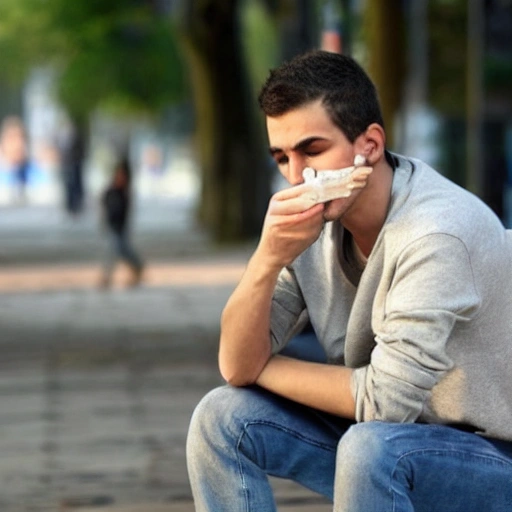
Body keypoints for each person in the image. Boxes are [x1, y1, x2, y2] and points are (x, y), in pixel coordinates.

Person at [186, 50, 512, 511]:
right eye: (282, 157)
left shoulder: (437, 232)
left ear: (370, 145)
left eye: (313, 150)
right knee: (220, 417)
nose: (298, 177)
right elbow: (234, 364)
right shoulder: (308, 229)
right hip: (395, 441)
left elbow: (385, 403)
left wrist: (262, 367)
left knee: (369, 447)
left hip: (493, 459)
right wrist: (265, 260)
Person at [99, 158, 144, 288]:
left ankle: (137, 267)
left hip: (121, 227)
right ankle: (108, 276)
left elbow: (126, 213)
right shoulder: (110, 192)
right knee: (114, 250)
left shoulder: (125, 193)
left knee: (121, 250)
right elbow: (105, 208)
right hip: (112, 227)